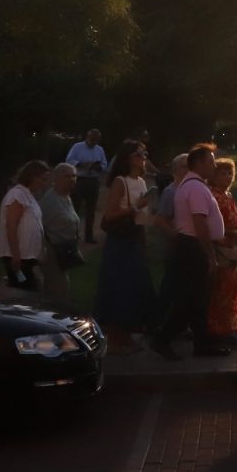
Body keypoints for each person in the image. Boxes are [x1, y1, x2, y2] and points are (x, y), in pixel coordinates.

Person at [151, 144, 230, 360]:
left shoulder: (192, 185)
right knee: (193, 299)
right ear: (197, 164)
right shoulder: (195, 188)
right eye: (211, 162)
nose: (214, 166)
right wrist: (210, 255)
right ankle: (163, 337)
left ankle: (202, 343)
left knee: (199, 298)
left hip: (190, 246)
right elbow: (200, 222)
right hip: (194, 246)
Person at [95, 141, 157, 354]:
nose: (144, 158)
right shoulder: (120, 182)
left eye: (145, 154)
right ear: (129, 158)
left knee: (135, 284)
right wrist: (134, 208)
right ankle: (116, 335)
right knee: (121, 285)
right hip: (122, 239)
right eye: (140, 154)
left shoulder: (141, 181)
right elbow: (110, 214)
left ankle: (127, 332)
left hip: (137, 235)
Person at [206, 157, 237, 342]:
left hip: (231, 248)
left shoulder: (227, 195)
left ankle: (226, 329)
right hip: (219, 248)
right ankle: (218, 332)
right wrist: (232, 232)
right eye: (222, 173)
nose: (227, 177)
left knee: (231, 291)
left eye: (229, 173)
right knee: (221, 292)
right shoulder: (214, 195)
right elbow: (212, 225)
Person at [0, 160, 51, 290]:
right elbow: (11, 226)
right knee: (24, 292)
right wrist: (15, 255)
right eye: (42, 179)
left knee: (26, 289)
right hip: (18, 255)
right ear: (32, 177)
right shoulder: (17, 195)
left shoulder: (28, 195)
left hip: (27, 256)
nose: (44, 184)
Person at [38, 163, 85, 303]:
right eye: (67, 176)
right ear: (57, 178)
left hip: (64, 252)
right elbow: (38, 227)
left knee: (60, 288)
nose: (72, 179)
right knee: (58, 291)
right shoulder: (50, 201)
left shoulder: (66, 197)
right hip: (52, 252)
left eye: (74, 176)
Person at [65, 129, 108, 244]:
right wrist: (81, 164)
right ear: (88, 137)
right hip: (80, 180)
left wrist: (97, 167)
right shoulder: (77, 147)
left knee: (91, 210)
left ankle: (89, 236)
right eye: (92, 139)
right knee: (75, 208)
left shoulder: (99, 149)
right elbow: (69, 160)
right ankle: (72, 235)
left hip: (93, 181)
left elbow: (105, 165)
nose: (93, 141)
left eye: (96, 140)